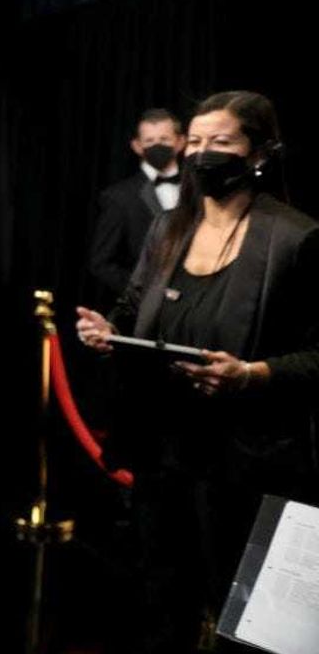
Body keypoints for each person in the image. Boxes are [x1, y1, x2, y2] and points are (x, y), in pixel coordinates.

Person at [75, 91, 319, 652]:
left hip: (245, 460)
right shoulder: (166, 228)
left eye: (222, 142)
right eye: (198, 141)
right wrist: (105, 334)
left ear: (259, 153)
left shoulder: (295, 238)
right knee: (164, 600)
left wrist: (252, 374)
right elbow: (131, 311)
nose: (203, 153)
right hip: (162, 451)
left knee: (237, 616)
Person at [88, 108, 185, 305]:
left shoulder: (200, 190)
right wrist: (143, 295)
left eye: (164, 139)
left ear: (181, 142)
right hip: (143, 310)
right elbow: (102, 263)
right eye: (149, 141)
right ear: (137, 146)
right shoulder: (118, 197)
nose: (157, 146)